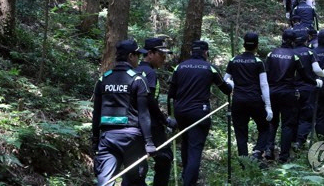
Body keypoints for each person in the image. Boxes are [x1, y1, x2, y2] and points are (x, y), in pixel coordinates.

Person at [92, 39, 156, 186]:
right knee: (136, 180)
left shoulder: (104, 79)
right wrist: (149, 142)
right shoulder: (138, 79)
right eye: (137, 56)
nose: (138, 60)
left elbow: (97, 112)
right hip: (132, 139)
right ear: (130, 56)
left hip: (108, 138)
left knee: (105, 181)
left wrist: (95, 139)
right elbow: (144, 114)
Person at [168, 41, 232, 185]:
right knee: (195, 148)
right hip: (199, 113)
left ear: (191, 52)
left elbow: (171, 93)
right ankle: (189, 182)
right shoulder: (210, 68)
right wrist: (231, 84)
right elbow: (226, 90)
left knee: (186, 143)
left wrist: (171, 113)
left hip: (181, 112)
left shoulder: (180, 67)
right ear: (205, 53)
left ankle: (186, 176)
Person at [122, 38, 175, 186]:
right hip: (150, 124)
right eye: (161, 55)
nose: (164, 60)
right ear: (150, 54)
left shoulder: (133, 71)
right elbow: (149, 100)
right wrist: (164, 120)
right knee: (164, 157)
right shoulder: (149, 73)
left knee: (134, 163)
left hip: (132, 123)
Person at [265, 30, 323, 163]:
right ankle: (284, 156)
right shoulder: (294, 56)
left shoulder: (271, 53)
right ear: (293, 41)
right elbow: (304, 74)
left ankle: (269, 149)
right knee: (287, 124)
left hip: (272, 92)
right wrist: (315, 82)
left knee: (272, 122)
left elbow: (265, 72)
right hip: (288, 93)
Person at [223, 33, 273, 161]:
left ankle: (244, 160)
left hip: (238, 101)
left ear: (244, 45)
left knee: (240, 131)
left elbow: (226, 80)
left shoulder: (233, 60)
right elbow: (264, 84)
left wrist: (235, 85)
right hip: (255, 100)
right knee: (265, 127)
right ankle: (257, 152)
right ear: (256, 46)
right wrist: (268, 106)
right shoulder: (258, 62)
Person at [292, 33, 324, 149]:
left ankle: (292, 141)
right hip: (307, 88)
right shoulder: (310, 52)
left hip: (292, 88)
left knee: (294, 116)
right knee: (306, 116)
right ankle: (299, 141)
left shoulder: (290, 52)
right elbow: (316, 69)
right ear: (306, 41)